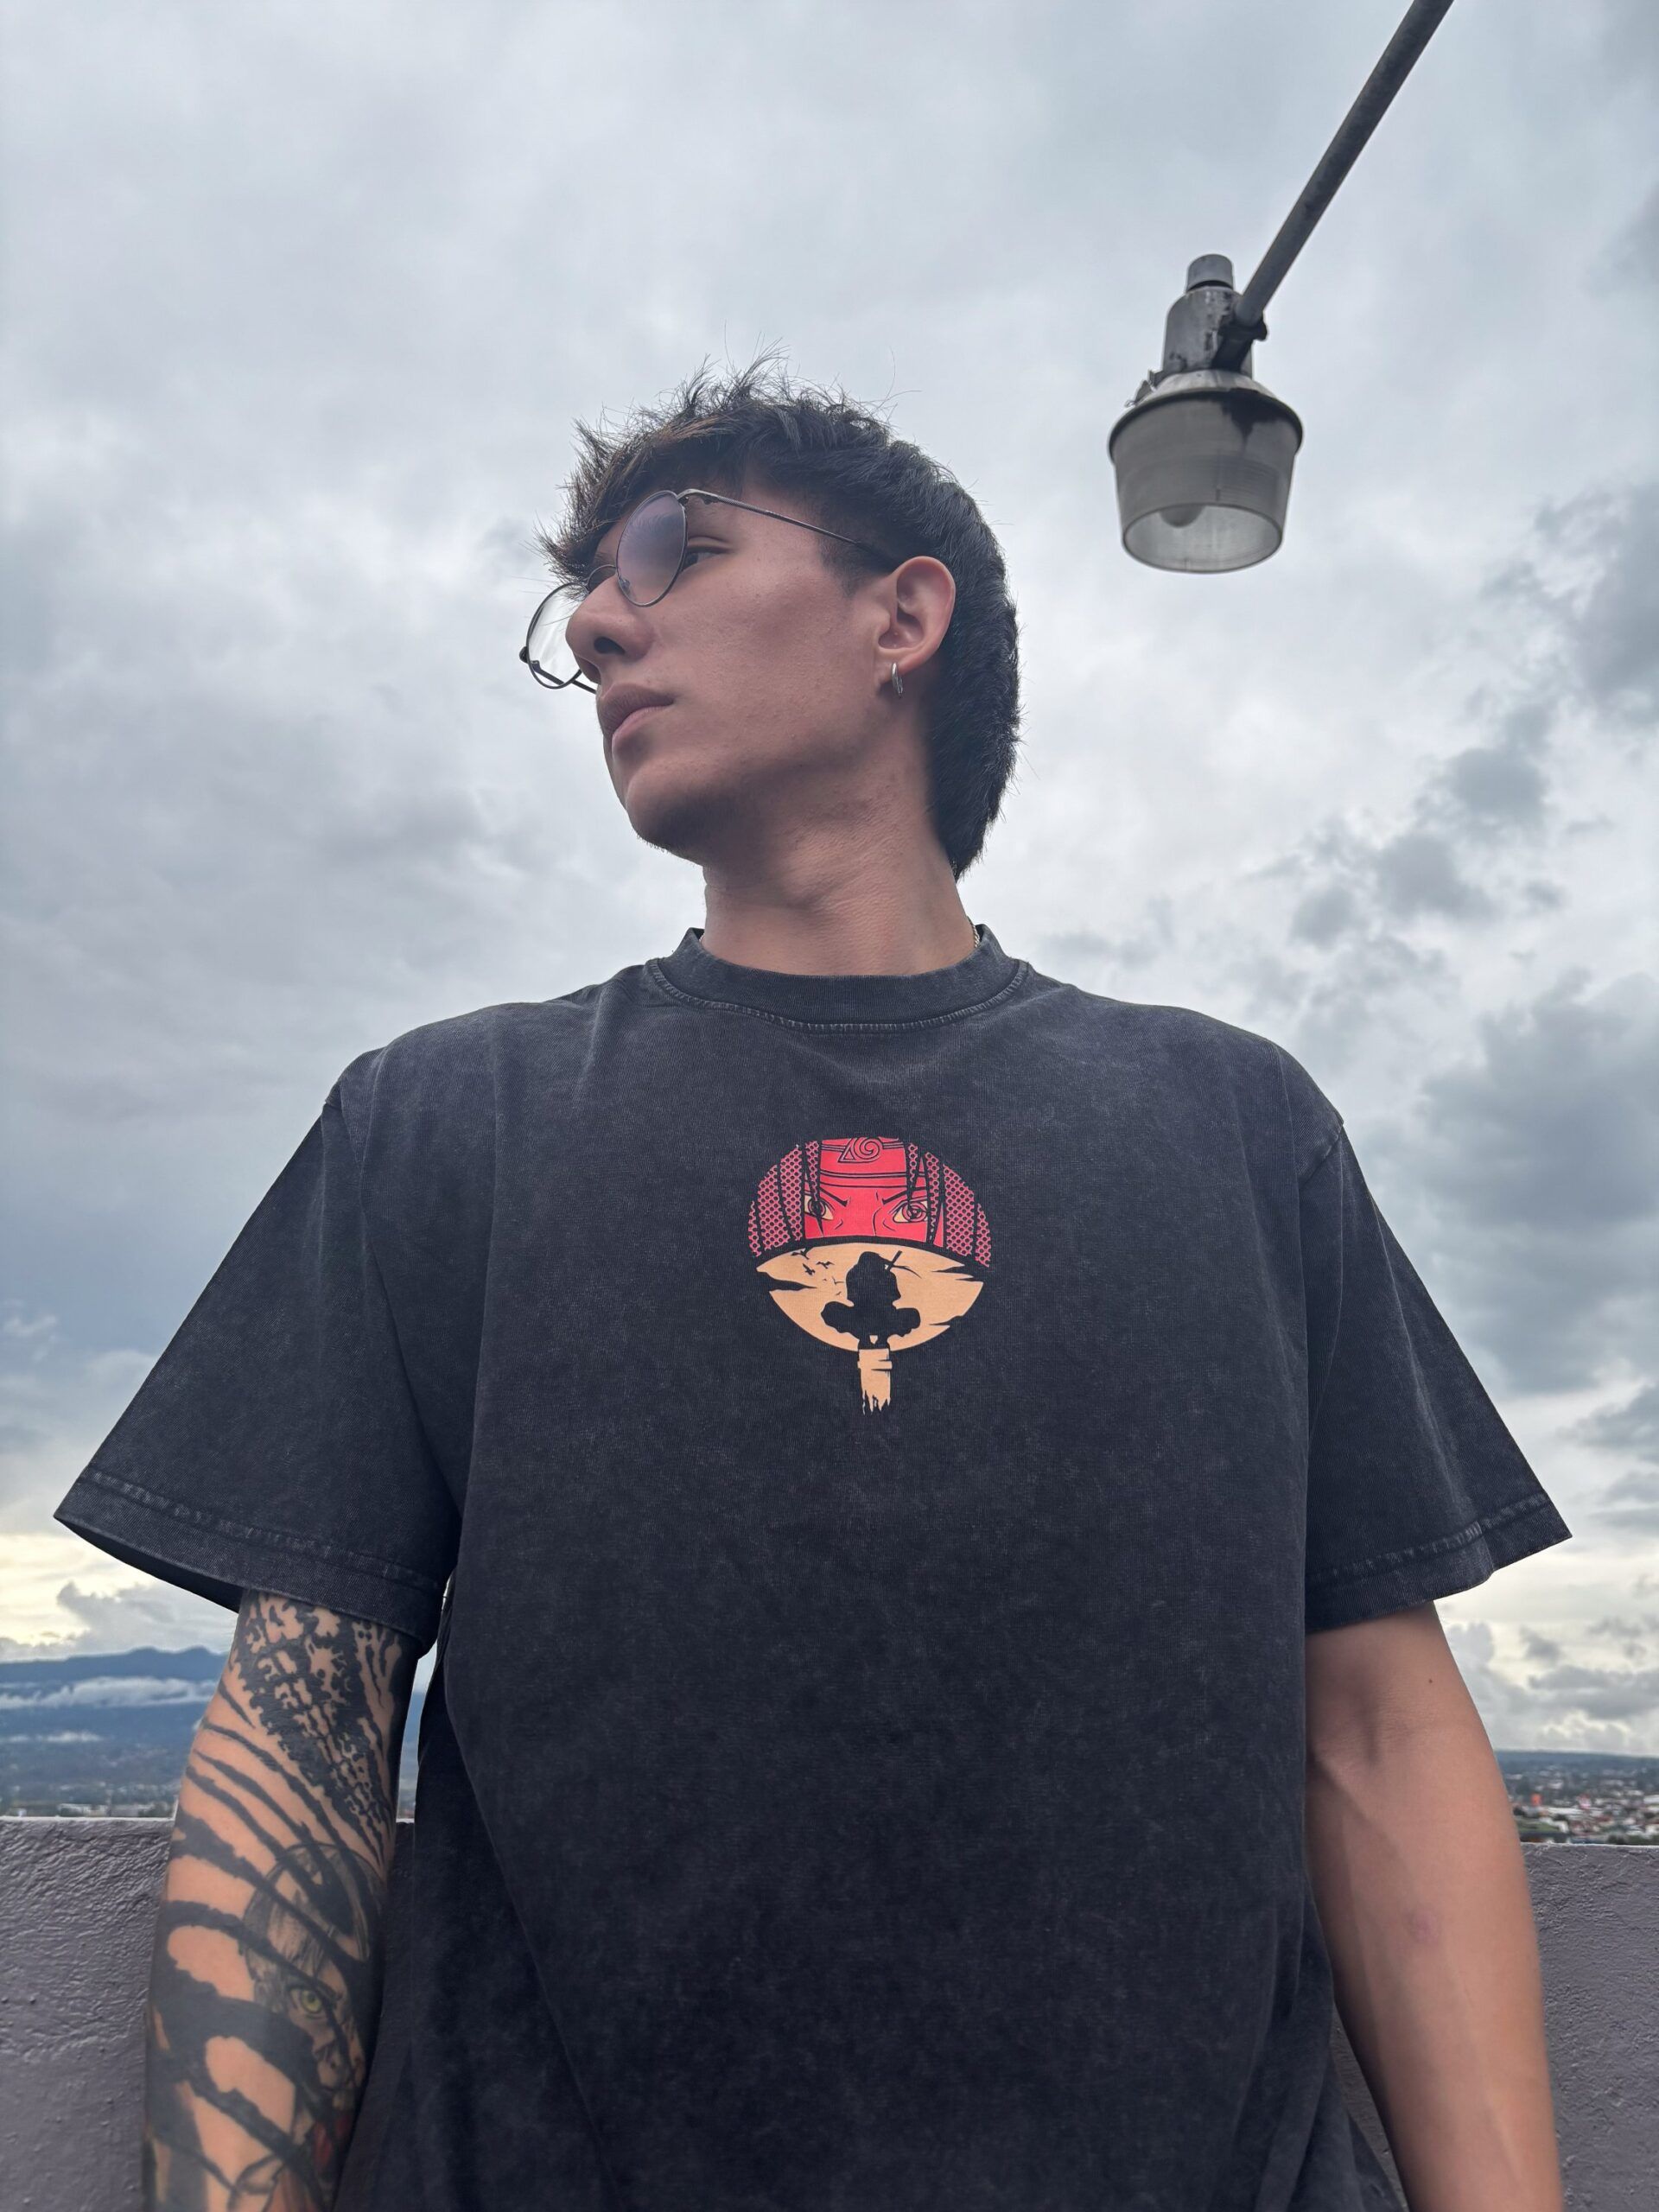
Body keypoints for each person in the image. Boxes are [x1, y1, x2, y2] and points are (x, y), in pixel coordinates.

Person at [56, 357, 1572, 2212]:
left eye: (673, 551)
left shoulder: (1238, 1124)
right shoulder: (446, 1121)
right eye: (579, 602)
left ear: (901, 617)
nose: (598, 625)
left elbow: (1381, 1727)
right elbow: (303, 1728)